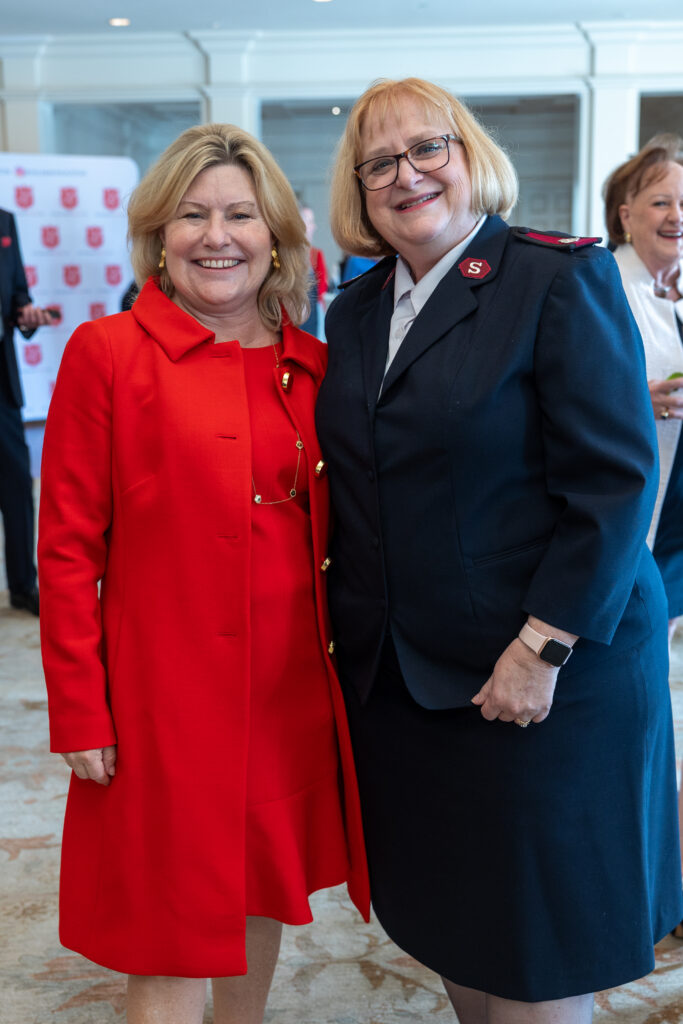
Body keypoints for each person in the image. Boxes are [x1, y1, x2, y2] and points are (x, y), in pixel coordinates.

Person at [315, 77, 683, 1024]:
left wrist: (542, 645)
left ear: (470, 155)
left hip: (541, 680)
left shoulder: (554, 277)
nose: (407, 175)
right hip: (405, 684)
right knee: (454, 922)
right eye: (379, 162)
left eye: (427, 148)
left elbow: (611, 483)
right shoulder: (352, 312)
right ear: (358, 192)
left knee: (535, 948)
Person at [38, 123, 369, 1024]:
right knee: (171, 930)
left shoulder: (317, 369)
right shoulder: (105, 355)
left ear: (276, 236)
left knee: (258, 890)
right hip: (162, 699)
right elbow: (67, 550)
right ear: (158, 233)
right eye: (191, 215)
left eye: (238, 214)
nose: (215, 235)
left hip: (287, 692)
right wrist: (79, 706)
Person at [603, 133, 683, 938]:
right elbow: (581, 403)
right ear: (624, 212)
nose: (675, 215)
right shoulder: (607, 289)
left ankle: (667, 875)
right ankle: (648, 884)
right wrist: (641, 398)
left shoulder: (672, 295)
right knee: (643, 708)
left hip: (675, 517)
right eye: (659, 199)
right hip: (640, 530)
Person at [0, 207, 53, 615]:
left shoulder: (4, 221)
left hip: (2, 379)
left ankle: (22, 585)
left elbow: (18, 293)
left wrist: (27, 314)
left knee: (17, 483)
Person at [298, 204, 329, 337]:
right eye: (310, 222)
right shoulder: (288, 255)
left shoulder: (315, 254)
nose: (314, 226)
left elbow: (322, 287)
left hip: (313, 312)